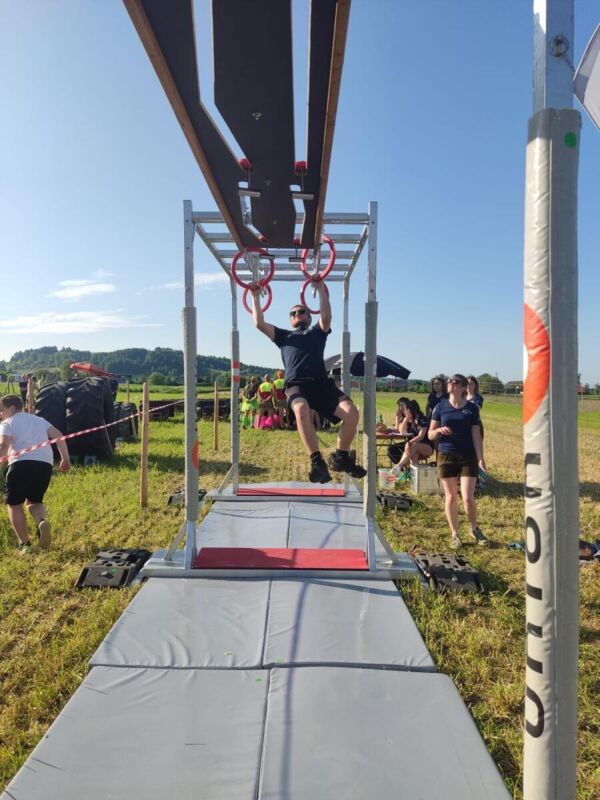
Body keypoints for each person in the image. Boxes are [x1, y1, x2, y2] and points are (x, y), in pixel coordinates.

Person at [250, 280, 366, 483]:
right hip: (297, 385)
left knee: (352, 413)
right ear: (290, 319)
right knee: (301, 410)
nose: (297, 314)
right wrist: (254, 296)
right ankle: (317, 462)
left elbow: (327, 316)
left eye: (301, 311)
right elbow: (259, 323)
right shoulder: (283, 336)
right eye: (293, 313)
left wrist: (320, 288)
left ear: (309, 316)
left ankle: (340, 457)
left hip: (321, 384)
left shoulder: (316, 332)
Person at [0, 394, 70, 554]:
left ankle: (24, 545)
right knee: (34, 500)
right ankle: (41, 522)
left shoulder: (7, 423)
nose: (0, 414)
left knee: (14, 504)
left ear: (11, 408)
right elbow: (59, 435)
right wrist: (65, 459)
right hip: (44, 466)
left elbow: (4, 445)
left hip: (20, 464)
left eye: (2, 410)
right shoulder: (39, 420)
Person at [428, 374, 489, 549]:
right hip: (446, 455)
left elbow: (476, 434)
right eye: (449, 381)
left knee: (468, 497)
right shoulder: (440, 407)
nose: (449, 383)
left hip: (467, 455)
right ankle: (454, 534)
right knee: (451, 496)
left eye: (454, 381)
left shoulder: (472, 408)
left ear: (463, 387)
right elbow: (430, 434)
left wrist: (480, 458)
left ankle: (474, 529)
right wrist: (438, 431)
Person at [394, 399, 433, 471]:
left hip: (427, 447)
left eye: (405, 409)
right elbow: (402, 431)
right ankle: (414, 475)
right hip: (414, 446)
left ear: (409, 410)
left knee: (414, 446)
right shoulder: (410, 420)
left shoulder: (422, 420)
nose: (404, 411)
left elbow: (420, 436)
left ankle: (399, 466)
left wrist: (408, 443)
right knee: (413, 454)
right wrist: (406, 419)